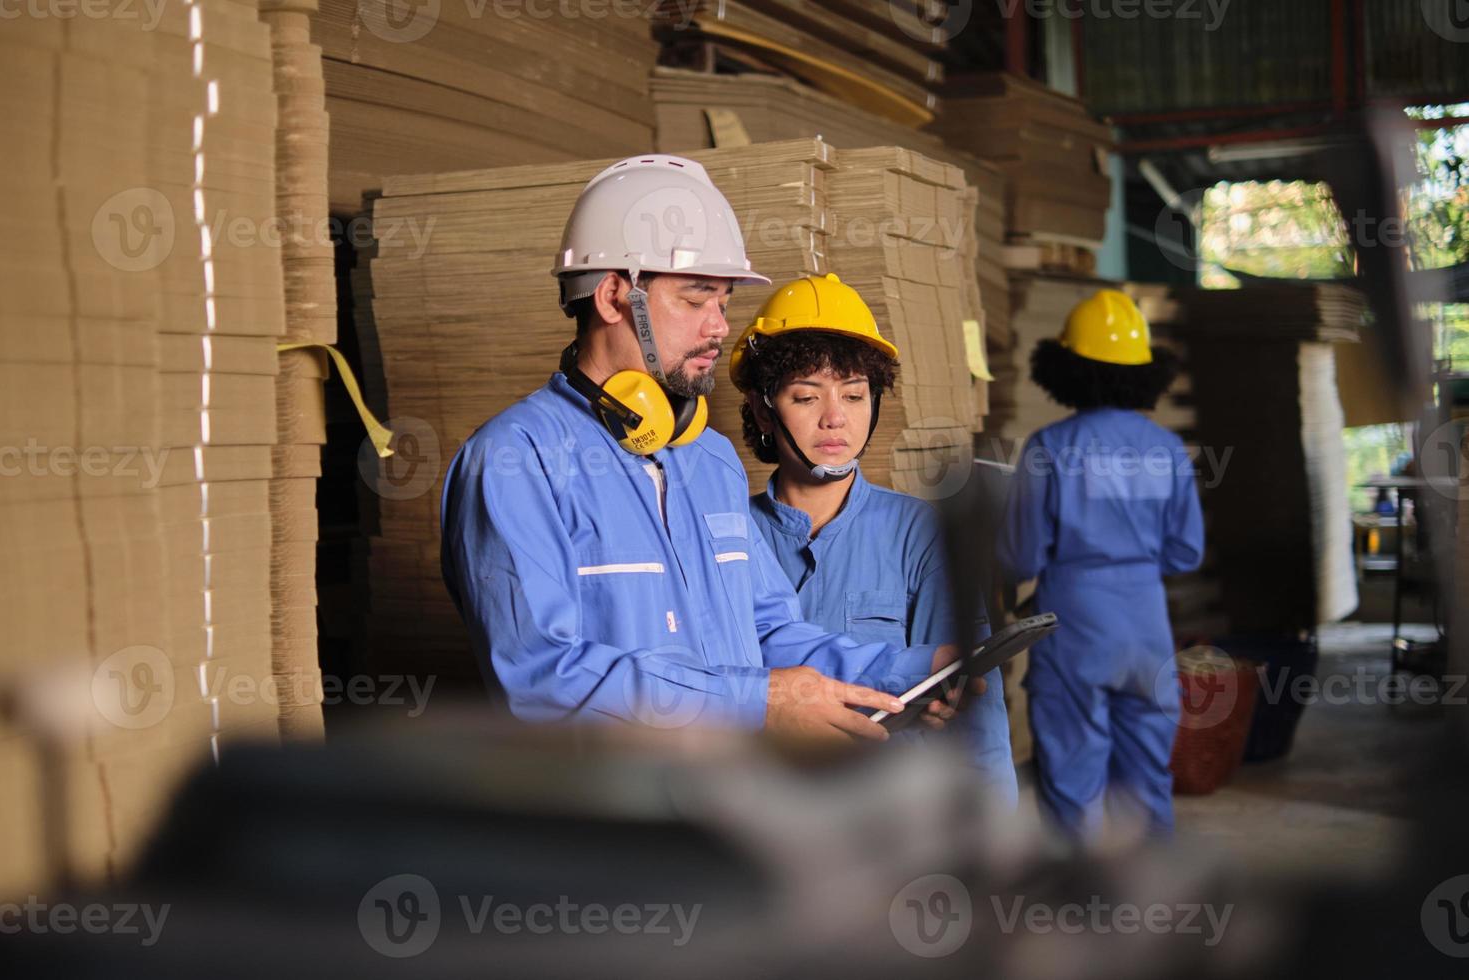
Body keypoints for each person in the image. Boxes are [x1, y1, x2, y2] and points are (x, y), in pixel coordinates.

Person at [439, 155, 961, 740]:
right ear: (614, 296)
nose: (719, 327)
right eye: (696, 299)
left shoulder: (708, 461)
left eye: (724, 301)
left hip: (725, 806)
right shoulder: (517, 460)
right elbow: (540, 680)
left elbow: (765, 632)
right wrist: (755, 703)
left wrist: (911, 669)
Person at [731, 273, 1019, 805]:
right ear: (761, 408)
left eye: (855, 394)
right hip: (758, 813)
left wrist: (996, 831)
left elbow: (974, 698)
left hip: (886, 817)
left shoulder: (919, 534)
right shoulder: (724, 536)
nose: (836, 417)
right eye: (805, 396)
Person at [997, 288, 1205, 839]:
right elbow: (1187, 551)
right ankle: (1157, 899)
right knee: (1146, 779)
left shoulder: (1048, 447)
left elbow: (1020, 556)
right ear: (1145, 372)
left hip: (1074, 626)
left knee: (1070, 777)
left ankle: (1081, 903)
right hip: (1147, 629)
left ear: (1068, 367)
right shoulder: (1166, 449)